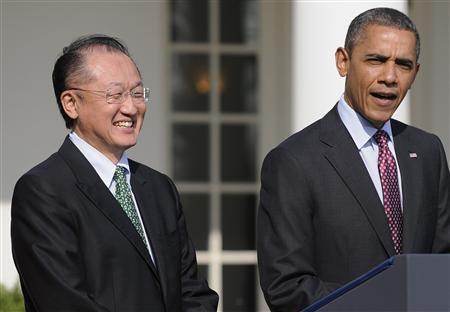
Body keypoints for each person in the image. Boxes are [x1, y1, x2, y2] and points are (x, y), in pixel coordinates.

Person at [257, 7, 450, 311]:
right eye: (376, 60)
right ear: (343, 62)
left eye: (403, 64)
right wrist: (389, 304)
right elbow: (287, 288)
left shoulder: (428, 151)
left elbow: (441, 265)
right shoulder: (293, 161)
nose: (389, 76)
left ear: (416, 74)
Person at [11, 34, 218, 312]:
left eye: (136, 92)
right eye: (115, 94)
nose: (131, 107)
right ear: (71, 103)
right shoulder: (44, 191)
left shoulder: (158, 188)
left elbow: (192, 292)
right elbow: (65, 303)